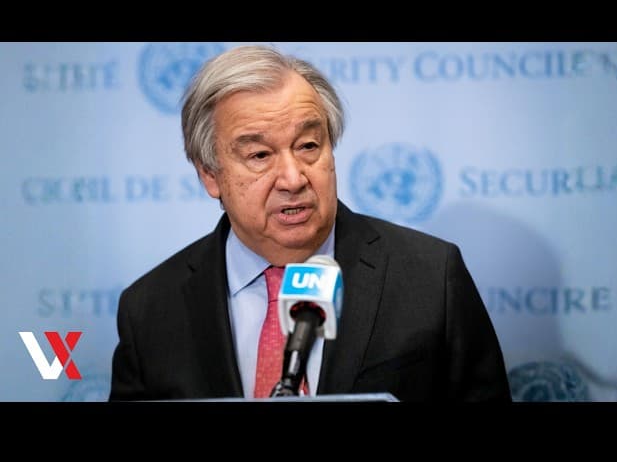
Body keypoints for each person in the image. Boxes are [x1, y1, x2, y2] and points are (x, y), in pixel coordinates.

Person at [109, 44, 512, 402]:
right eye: (260, 155)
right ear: (210, 175)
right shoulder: (149, 309)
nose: (293, 178)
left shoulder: (431, 277)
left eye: (308, 146)